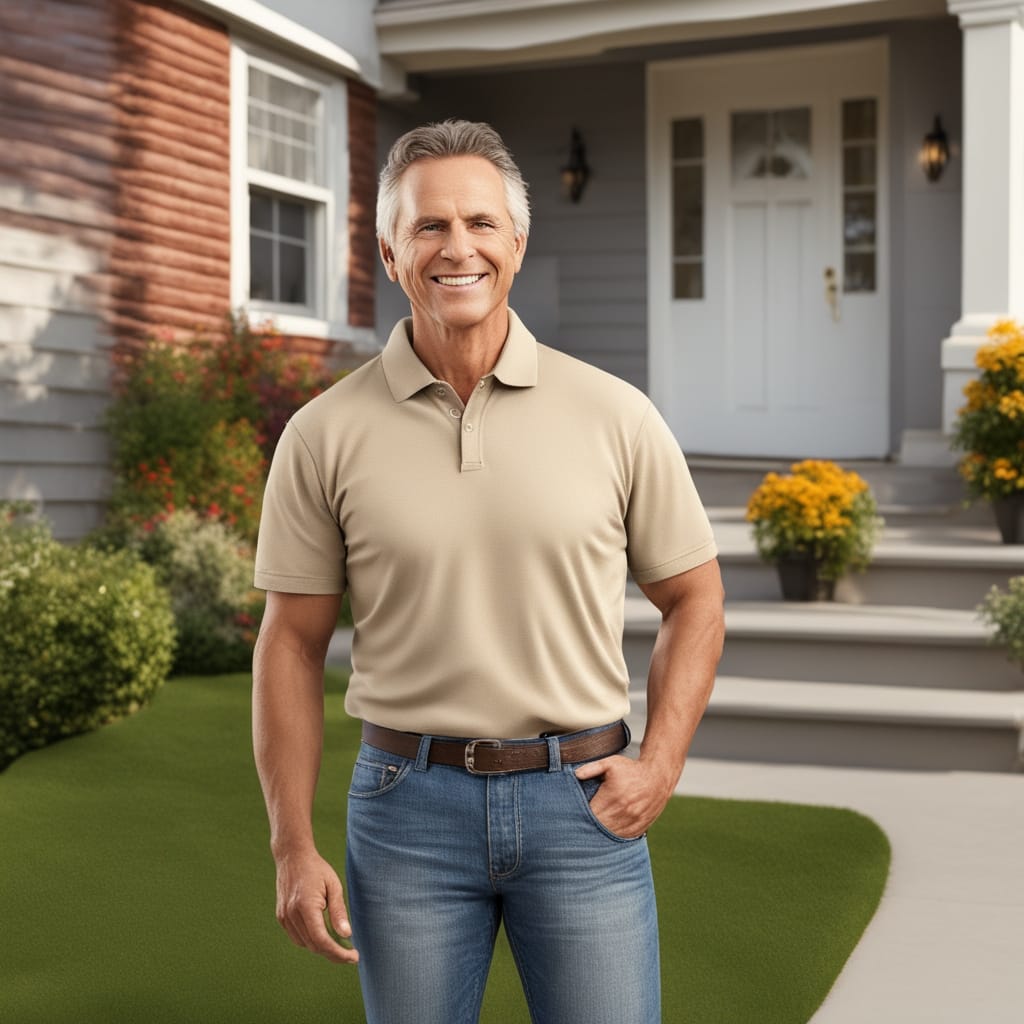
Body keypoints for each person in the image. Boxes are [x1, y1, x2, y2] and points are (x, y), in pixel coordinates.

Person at [252, 119, 725, 1024]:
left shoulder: (615, 414)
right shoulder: (323, 434)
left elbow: (694, 598)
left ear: (516, 242)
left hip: (583, 804)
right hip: (404, 815)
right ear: (391, 252)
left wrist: (659, 764)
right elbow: (293, 641)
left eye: (479, 222)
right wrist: (290, 845)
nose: (456, 246)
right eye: (428, 227)